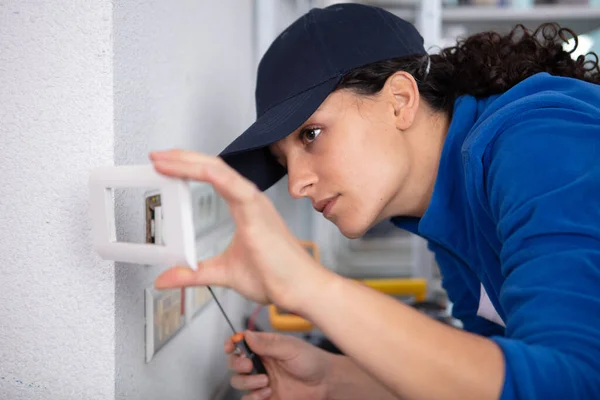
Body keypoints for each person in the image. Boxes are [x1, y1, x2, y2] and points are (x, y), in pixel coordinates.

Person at [149, 3, 600, 400]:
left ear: (400, 100)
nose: (296, 184)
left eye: (311, 134)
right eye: (283, 161)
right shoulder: (446, 217)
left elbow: (574, 385)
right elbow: (491, 378)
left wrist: (308, 284)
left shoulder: (538, 141)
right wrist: (330, 381)